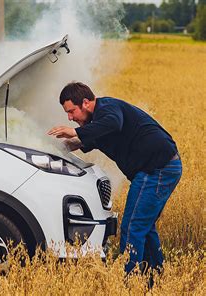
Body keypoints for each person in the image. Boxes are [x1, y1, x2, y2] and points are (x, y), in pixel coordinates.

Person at [47, 82, 182, 276]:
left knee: (132, 226)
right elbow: (80, 142)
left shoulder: (108, 108)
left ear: (85, 102)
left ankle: (129, 280)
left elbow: (112, 123)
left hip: (157, 169)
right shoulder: (96, 125)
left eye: (71, 111)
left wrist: (75, 131)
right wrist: (48, 147)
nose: (70, 118)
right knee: (144, 226)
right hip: (158, 169)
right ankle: (154, 277)